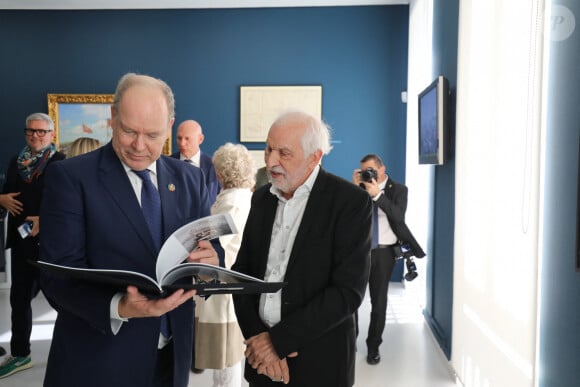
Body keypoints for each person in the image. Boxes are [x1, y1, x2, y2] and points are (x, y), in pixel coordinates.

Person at [38, 73, 223, 387]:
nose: (139, 146)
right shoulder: (70, 178)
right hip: (100, 360)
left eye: (152, 134)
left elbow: (210, 248)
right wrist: (118, 306)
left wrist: (212, 262)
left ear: (170, 126)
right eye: (128, 131)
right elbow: (57, 277)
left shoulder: (189, 178)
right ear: (112, 118)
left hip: (171, 357)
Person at [232, 111, 372, 387]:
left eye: (284, 153)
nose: (271, 161)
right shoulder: (261, 198)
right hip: (260, 363)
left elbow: (347, 292)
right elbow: (241, 274)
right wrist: (259, 342)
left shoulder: (350, 203)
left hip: (320, 364)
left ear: (315, 157)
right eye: (269, 148)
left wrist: (278, 342)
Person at [0, 113, 66, 379]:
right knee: (19, 299)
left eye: (41, 132)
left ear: (51, 135)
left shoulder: (60, 163)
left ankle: (80, 346)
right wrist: (1, 198)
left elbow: (66, 202)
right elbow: (8, 191)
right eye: (31, 131)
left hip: (50, 245)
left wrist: (44, 219)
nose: (36, 136)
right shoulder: (17, 161)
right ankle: (20, 354)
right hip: (21, 243)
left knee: (61, 300)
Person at [352, 154, 425, 365]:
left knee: (379, 302)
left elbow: (398, 216)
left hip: (384, 253)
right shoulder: (359, 188)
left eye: (371, 170)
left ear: (382, 169)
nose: (368, 174)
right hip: (359, 251)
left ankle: (373, 347)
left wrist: (377, 196)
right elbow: (349, 214)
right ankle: (350, 341)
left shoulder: (400, 190)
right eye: (364, 171)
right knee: (351, 299)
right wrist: (355, 187)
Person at [194, 142, 255, 387]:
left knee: (227, 356)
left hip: (225, 286)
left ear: (220, 173)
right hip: (230, 284)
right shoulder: (242, 197)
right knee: (228, 356)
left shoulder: (232, 202)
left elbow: (221, 248)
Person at [172, 119, 220, 203]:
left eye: (187, 139)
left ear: (200, 139)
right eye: (179, 138)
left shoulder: (214, 166)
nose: (182, 143)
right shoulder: (166, 164)